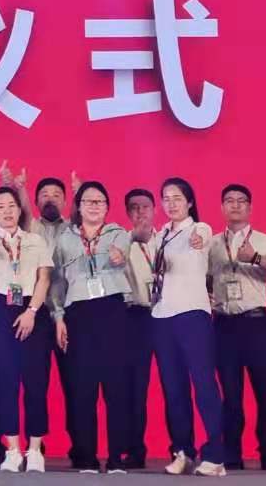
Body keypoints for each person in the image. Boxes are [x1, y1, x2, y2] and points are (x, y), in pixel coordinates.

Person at [210, 185, 266, 472]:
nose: (235, 205)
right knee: (230, 394)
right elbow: (205, 277)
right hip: (224, 324)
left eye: (241, 201)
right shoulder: (212, 243)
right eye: (229, 201)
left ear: (250, 207)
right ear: (222, 207)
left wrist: (256, 258)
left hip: (256, 324)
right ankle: (232, 454)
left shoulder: (264, 240)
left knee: (264, 391)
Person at [51, 181, 132, 475]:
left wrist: (119, 257)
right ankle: (86, 456)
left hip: (112, 310)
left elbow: (122, 255)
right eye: (88, 201)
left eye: (100, 201)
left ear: (107, 207)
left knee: (116, 385)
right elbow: (57, 282)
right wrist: (59, 317)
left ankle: (116, 457)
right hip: (79, 313)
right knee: (82, 386)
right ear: (79, 206)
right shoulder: (64, 239)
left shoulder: (118, 234)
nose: (94, 206)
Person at [0, 185, 54, 473]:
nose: (7, 211)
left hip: (33, 308)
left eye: (12, 205)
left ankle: (34, 450)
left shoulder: (35, 239)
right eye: (1, 207)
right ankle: (12, 449)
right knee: (4, 382)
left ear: (20, 210)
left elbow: (44, 278)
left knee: (36, 382)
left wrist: (31, 311)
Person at [150, 178, 225, 477]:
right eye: (166, 198)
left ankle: (216, 455)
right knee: (173, 389)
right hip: (161, 316)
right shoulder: (160, 235)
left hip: (192, 315)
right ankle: (183, 451)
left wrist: (197, 239)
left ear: (190, 202)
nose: (171, 203)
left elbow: (202, 238)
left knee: (204, 385)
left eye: (177, 198)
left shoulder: (200, 228)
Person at [119, 187, 169, 471]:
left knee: (173, 383)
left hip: (167, 315)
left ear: (155, 210)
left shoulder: (168, 240)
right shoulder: (121, 242)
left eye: (145, 207)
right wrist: (128, 240)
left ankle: (181, 449)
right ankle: (135, 449)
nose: (140, 212)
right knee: (134, 386)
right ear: (128, 212)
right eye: (134, 207)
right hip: (135, 318)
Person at [32, 174, 78, 467]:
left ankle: (80, 444)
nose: (50, 198)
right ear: (36, 201)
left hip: (68, 314)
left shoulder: (74, 231)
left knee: (75, 382)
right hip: (35, 314)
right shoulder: (28, 229)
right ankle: (36, 443)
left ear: (65, 201)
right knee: (35, 382)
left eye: (56, 195)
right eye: (45, 194)